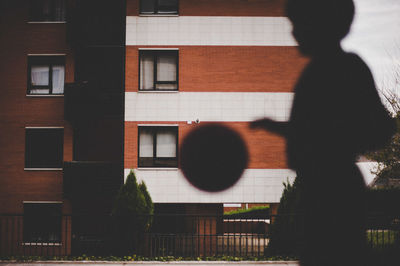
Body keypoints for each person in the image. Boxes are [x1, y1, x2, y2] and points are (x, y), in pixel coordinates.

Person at [250, 0, 395, 265]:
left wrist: (332, 141)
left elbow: (380, 128)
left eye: (298, 25)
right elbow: (316, 129)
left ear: (322, 26)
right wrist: (276, 126)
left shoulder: (342, 69)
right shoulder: (324, 70)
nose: (294, 33)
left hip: (333, 187)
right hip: (322, 185)